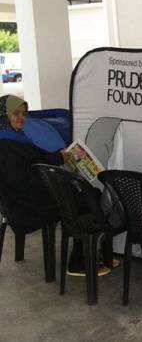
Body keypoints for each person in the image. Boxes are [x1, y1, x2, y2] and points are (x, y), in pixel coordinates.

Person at [0, 95, 111, 276]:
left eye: (24, 114)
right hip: (25, 206)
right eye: (16, 113)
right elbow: (23, 181)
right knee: (87, 198)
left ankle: (91, 253)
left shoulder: (14, 138)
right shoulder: (5, 145)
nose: (21, 118)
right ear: (4, 115)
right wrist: (58, 184)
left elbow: (36, 160)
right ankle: (79, 261)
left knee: (86, 194)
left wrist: (59, 158)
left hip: (29, 197)